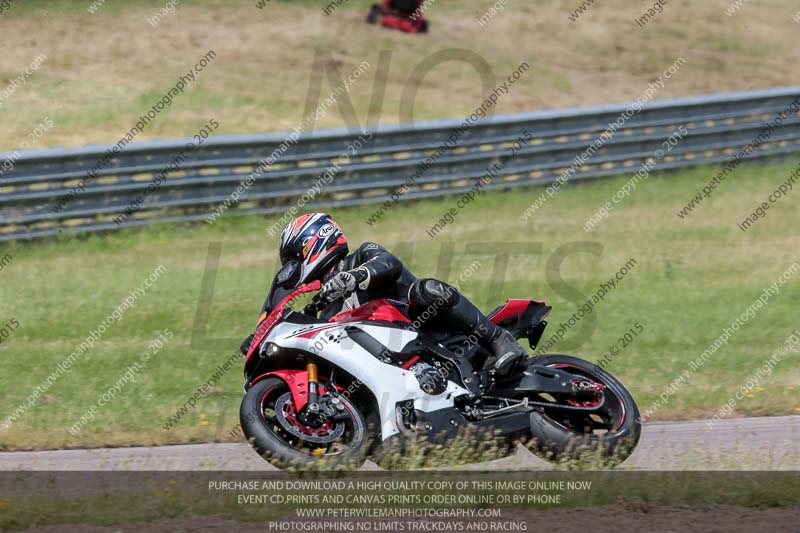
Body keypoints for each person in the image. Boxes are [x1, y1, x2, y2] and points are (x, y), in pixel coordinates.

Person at [243, 213, 526, 376]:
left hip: (429, 332)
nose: (293, 268)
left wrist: (355, 277)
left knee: (426, 289)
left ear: (313, 241)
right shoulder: (324, 304)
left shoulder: (363, 255)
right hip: (398, 361)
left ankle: (500, 340)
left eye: (294, 259)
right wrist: (265, 333)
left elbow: (389, 265)